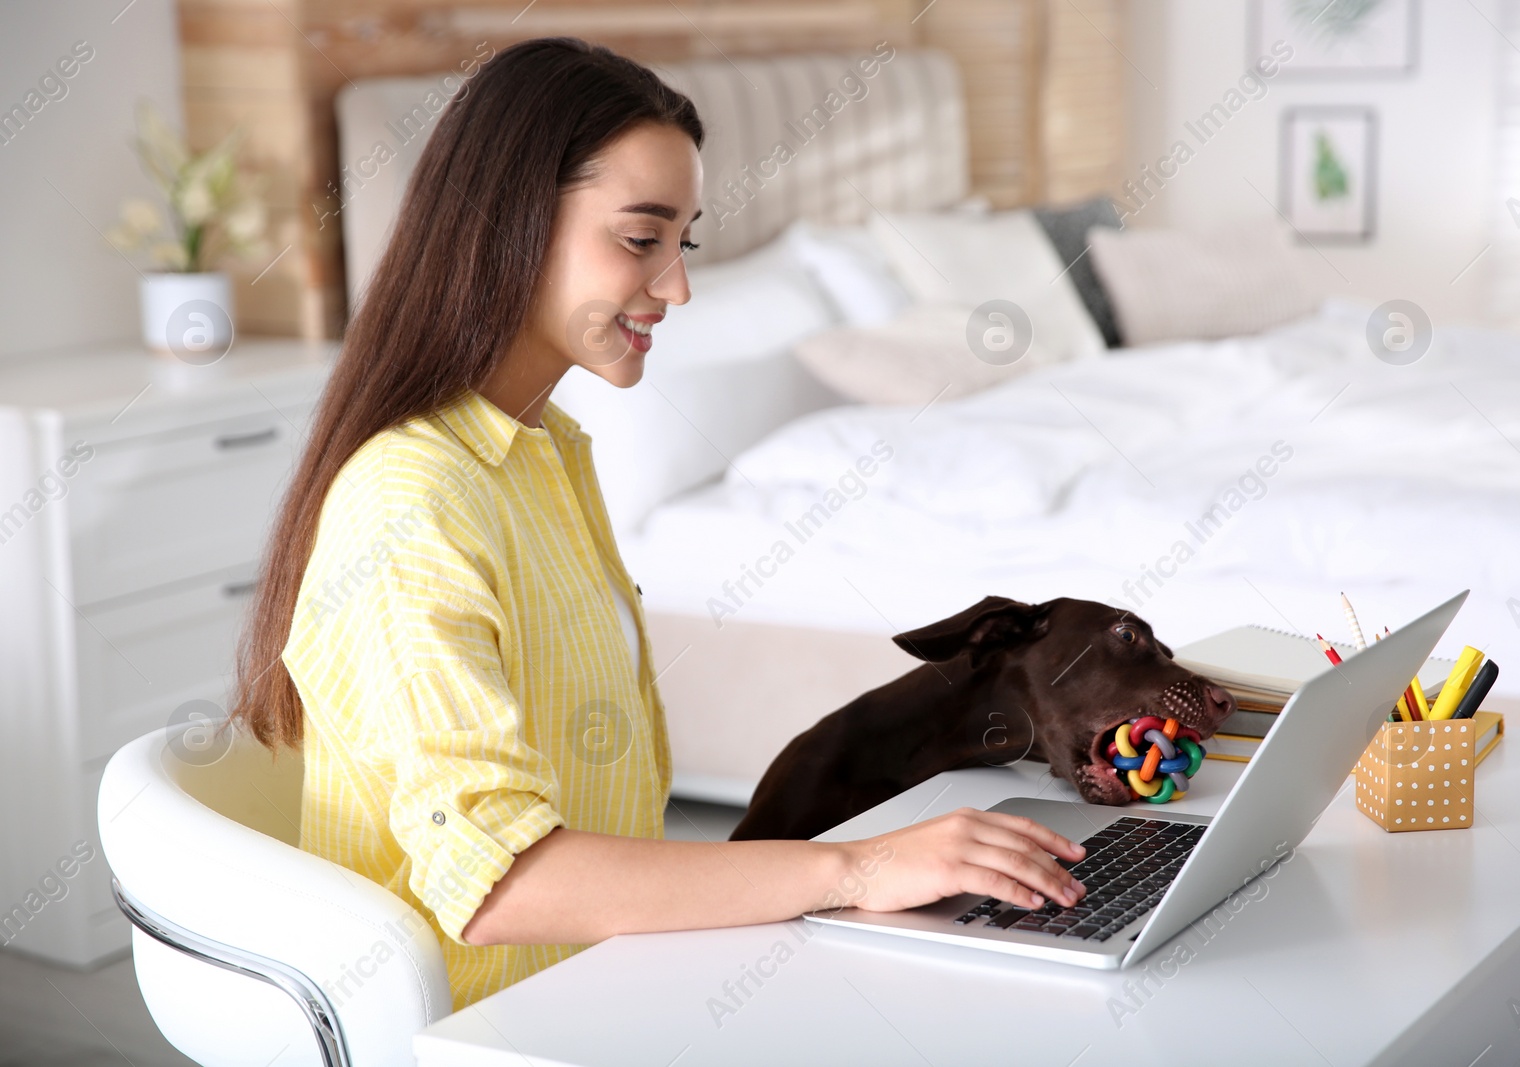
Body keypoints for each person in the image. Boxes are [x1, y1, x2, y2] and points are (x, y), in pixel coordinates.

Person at [232, 36, 1084, 1010]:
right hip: (496, 1022)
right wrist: (852, 870)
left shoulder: (548, 453)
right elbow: (501, 880)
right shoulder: (410, 501)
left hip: (607, 986)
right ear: (506, 220)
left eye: (685, 243)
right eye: (641, 240)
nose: (677, 286)